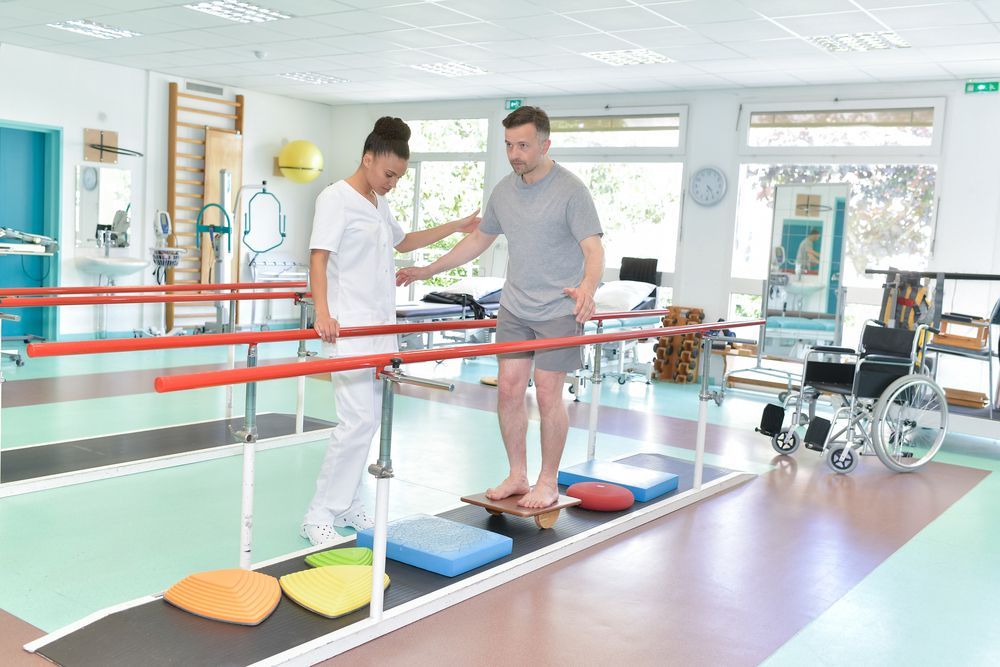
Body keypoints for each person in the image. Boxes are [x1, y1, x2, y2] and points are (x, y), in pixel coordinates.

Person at [397, 106, 604, 509]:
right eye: (509, 145)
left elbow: (593, 248)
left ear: (546, 144)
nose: (515, 154)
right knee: (508, 391)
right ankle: (517, 474)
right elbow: (477, 241)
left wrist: (587, 288)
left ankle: (548, 481)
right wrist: (428, 270)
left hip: (559, 308)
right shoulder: (504, 192)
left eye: (523, 145)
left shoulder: (572, 191)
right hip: (515, 307)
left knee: (547, 396)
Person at [301, 117, 480, 546]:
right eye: (389, 174)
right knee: (355, 420)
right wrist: (322, 313)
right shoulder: (335, 199)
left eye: (399, 177)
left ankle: (346, 504)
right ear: (367, 159)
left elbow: (404, 242)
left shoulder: (378, 203)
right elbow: (319, 259)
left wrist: (455, 226)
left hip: (382, 326)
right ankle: (318, 513)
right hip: (348, 327)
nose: (393, 183)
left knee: (370, 422)